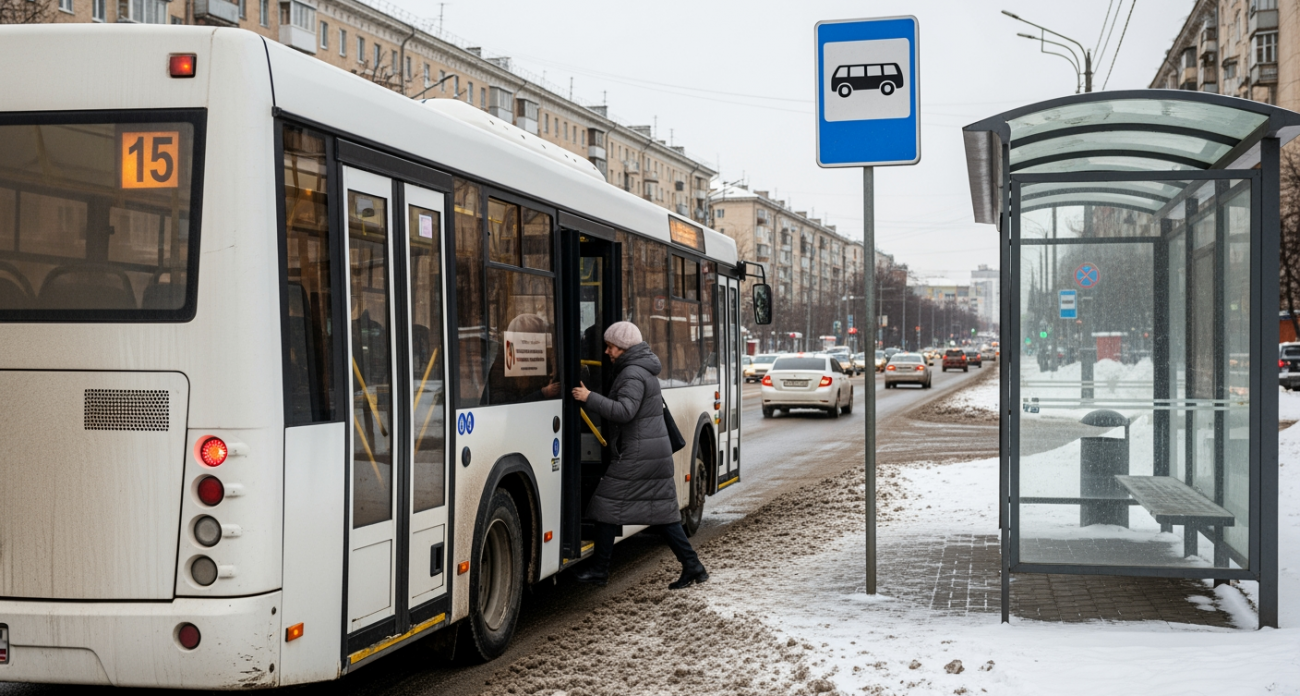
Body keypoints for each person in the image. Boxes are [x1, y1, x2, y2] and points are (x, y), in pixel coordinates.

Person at [570, 321, 709, 590]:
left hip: (639, 454)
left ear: (623, 348)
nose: (607, 352)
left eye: (611, 346)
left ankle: (600, 570)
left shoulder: (632, 373)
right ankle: (693, 567)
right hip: (652, 452)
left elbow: (624, 411)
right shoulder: (641, 369)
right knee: (666, 516)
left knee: (605, 506)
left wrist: (589, 397)